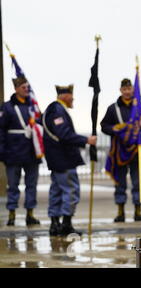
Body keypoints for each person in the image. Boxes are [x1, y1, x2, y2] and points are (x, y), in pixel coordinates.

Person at [42, 85, 97, 236]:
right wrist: (86, 140)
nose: (73, 99)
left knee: (57, 191)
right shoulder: (58, 110)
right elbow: (64, 134)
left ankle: (55, 224)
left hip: (57, 159)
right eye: (71, 95)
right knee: (71, 190)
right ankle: (66, 224)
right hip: (63, 159)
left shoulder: (52, 110)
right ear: (64, 95)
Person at [101, 78, 141, 222]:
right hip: (119, 151)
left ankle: (138, 211)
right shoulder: (113, 108)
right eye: (124, 89)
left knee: (138, 183)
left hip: (137, 151)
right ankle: (120, 212)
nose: (127, 92)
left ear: (133, 90)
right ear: (120, 90)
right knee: (119, 182)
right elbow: (104, 126)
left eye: (129, 89)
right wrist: (114, 128)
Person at [0, 77, 41, 226]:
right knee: (13, 185)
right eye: (23, 87)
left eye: (27, 87)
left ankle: (30, 213)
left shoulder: (33, 107)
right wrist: (2, 152)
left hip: (31, 152)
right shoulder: (7, 107)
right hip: (13, 152)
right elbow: (1, 131)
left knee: (31, 184)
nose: (26, 89)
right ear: (16, 89)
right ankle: (12, 214)